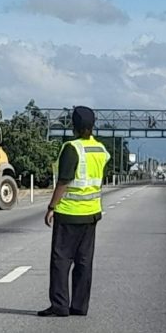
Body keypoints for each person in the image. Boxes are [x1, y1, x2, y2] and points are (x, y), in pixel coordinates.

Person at [39, 106, 109, 317]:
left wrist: (52, 207)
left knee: (61, 261)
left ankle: (60, 305)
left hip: (69, 212)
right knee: (84, 261)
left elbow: (64, 180)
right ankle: (79, 306)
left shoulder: (72, 148)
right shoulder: (100, 149)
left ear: (73, 126)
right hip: (92, 212)